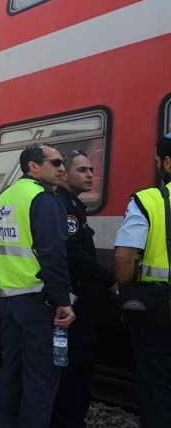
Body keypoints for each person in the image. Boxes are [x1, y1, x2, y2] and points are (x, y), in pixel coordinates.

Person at [0, 143, 75, 428]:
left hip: (9, 300)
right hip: (38, 303)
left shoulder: (5, 198)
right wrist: (63, 300)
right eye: (55, 162)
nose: (62, 168)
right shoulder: (43, 199)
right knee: (41, 376)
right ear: (33, 166)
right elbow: (53, 255)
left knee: (11, 371)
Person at [50, 151, 117, 428]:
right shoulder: (65, 206)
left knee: (75, 361)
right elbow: (74, 253)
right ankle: (68, 419)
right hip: (73, 298)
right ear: (65, 174)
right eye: (82, 170)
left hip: (76, 295)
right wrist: (108, 278)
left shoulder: (72, 205)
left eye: (91, 169)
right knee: (74, 362)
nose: (90, 174)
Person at [113, 134, 171, 428]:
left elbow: (125, 256)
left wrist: (123, 290)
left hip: (160, 306)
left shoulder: (148, 200)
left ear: (167, 163)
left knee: (156, 377)